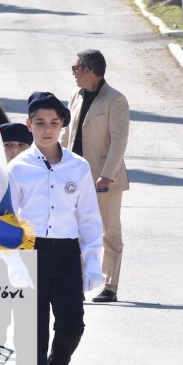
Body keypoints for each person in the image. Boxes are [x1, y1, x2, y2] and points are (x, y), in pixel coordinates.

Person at [8, 92, 103, 365]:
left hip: (65, 254)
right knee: (33, 337)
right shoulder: (17, 169)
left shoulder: (78, 167)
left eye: (53, 122)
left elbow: (89, 218)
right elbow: (7, 220)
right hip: (29, 254)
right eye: (39, 123)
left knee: (71, 326)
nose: (46, 129)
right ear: (29, 125)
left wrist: (92, 261)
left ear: (63, 125)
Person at [59, 49, 129, 304]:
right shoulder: (75, 96)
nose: (74, 73)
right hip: (75, 177)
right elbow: (67, 135)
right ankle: (76, 281)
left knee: (109, 232)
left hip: (104, 180)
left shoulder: (116, 100)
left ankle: (110, 286)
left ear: (88, 70)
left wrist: (107, 176)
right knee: (72, 230)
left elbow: (119, 142)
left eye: (75, 68)